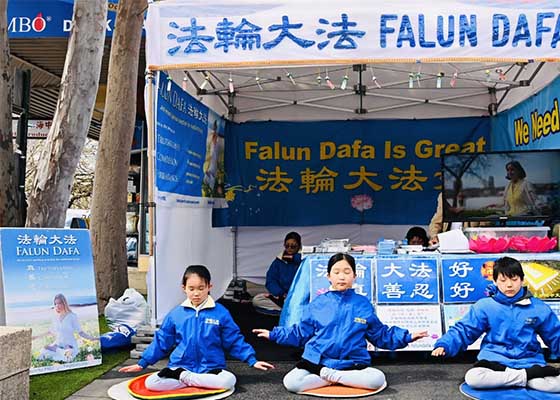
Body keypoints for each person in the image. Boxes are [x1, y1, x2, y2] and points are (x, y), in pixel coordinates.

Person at [253, 253, 428, 393]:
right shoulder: (318, 303)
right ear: (328, 276)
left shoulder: (362, 304)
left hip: (351, 363)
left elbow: (380, 334)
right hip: (319, 361)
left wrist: (408, 337)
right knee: (291, 382)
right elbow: (300, 332)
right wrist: (273, 334)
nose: (341, 277)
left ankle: (329, 377)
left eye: (346, 272)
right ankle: (333, 375)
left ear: (355, 276)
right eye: (336, 272)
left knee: (377, 379)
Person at [119, 265, 274, 391]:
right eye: (191, 288)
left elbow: (233, 340)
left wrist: (252, 360)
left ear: (209, 287)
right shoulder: (176, 314)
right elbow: (162, 340)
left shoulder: (221, 313)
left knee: (228, 381)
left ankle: (186, 379)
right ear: (184, 288)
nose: (196, 293)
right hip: (180, 365)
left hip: (211, 368)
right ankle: (194, 380)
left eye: (201, 288)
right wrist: (143, 363)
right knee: (151, 383)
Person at [432, 256, 560, 393]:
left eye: (514, 279)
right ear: (495, 281)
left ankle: (514, 379)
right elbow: (465, 329)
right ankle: (525, 379)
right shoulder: (485, 306)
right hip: (494, 361)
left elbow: (555, 334)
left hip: (529, 361)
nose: (509, 285)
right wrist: (445, 344)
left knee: (555, 385)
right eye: (503, 280)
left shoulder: (539, 308)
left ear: (522, 280)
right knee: (473, 378)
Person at [34, 293, 98, 362]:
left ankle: (61, 351)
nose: (57, 305)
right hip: (58, 344)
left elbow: (80, 332)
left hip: (69, 344)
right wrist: (35, 337)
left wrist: (92, 338)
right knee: (43, 352)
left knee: (67, 355)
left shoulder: (72, 316)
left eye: (59, 303)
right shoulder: (55, 317)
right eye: (55, 304)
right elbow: (50, 331)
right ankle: (60, 351)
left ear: (64, 303)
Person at [252, 231, 302, 314]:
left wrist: (294, 258)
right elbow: (270, 280)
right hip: (282, 297)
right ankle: (288, 310)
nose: (289, 248)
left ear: (299, 246)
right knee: (257, 300)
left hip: (297, 296)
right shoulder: (279, 261)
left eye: (293, 246)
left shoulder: (304, 260)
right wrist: (280, 293)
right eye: (287, 246)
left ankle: (288, 310)